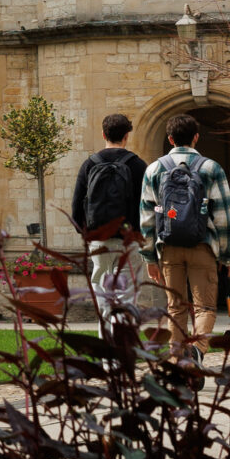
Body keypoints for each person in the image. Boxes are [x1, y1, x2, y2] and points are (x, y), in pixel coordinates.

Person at [139, 112, 230, 363]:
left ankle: (176, 360)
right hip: (203, 246)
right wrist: (226, 257)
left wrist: (149, 257)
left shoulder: (154, 169)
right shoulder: (211, 168)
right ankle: (197, 349)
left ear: (170, 139)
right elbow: (225, 218)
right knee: (204, 306)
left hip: (169, 246)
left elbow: (147, 218)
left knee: (175, 306)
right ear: (196, 137)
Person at [71, 112, 146, 322]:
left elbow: (76, 207)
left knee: (103, 297)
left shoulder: (90, 164)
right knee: (126, 296)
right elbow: (146, 205)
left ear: (104, 134)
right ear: (126, 136)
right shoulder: (138, 165)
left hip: (99, 240)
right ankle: (119, 347)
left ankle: (108, 350)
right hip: (128, 240)